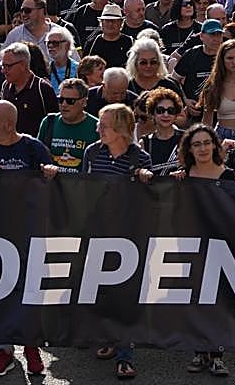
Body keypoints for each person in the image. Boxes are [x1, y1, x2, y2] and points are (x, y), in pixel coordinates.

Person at [0, 100, 59, 377]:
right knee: (0, 289)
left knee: (29, 290)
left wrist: (50, 172)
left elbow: (54, 180)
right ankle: (5, 350)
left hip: (28, 231)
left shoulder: (32, 147)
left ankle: (31, 345)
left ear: (10, 125)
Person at [81, 103, 154, 380]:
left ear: (121, 129)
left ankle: (125, 354)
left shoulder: (140, 158)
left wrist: (144, 180)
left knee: (125, 296)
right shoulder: (92, 152)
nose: (97, 128)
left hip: (128, 236)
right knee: (101, 291)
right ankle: (110, 339)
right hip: (97, 231)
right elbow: (82, 188)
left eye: (104, 125)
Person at [175, 123, 235, 377]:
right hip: (190, 245)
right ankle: (200, 352)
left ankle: (217, 356)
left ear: (215, 145)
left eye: (206, 142)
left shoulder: (229, 175)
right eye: (196, 144)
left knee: (219, 301)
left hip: (221, 245)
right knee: (195, 301)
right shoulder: (182, 176)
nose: (202, 148)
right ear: (189, 148)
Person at [37, 77, 99, 172]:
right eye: (61, 100)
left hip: (81, 184)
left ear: (84, 102)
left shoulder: (97, 126)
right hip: (53, 184)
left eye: (70, 101)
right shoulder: (49, 122)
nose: (64, 104)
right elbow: (38, 155)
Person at [0, 42, 59, 137]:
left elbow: (54, 122)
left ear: (23, 65)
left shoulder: (42, 88)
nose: (3, 71)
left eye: (8, 66)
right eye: (2, 66)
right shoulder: (5, 86)